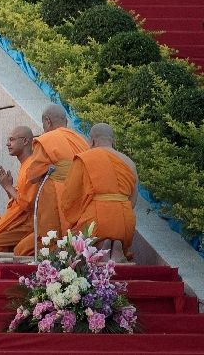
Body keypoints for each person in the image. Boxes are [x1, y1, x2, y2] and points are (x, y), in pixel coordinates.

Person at [12, 104, 90, 256]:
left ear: (47, 121)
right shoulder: (82, 141)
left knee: (25, 249)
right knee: (72, 241)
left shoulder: (46, 139)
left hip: (55, 198)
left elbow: (33, 175)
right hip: (78, 199)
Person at [61, 123, 137, 259]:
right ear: (114, 141)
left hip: (96, 222)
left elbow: (70, 197)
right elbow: (133, 200)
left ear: (92, 140)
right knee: (117, 227)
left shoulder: (86, 158)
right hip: (125, 222)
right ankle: (116, 246)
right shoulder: (129, 162)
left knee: (69, 247)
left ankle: (102, 245)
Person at [0, 125, 35, 256]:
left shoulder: (32, 166)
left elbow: (28, 204)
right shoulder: (24, 165)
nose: (7, 143)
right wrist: (7, 187)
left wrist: (9, 187)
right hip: (18, 221)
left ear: (25, 141)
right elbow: (18, 199)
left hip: (26, 224)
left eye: (12, 139)